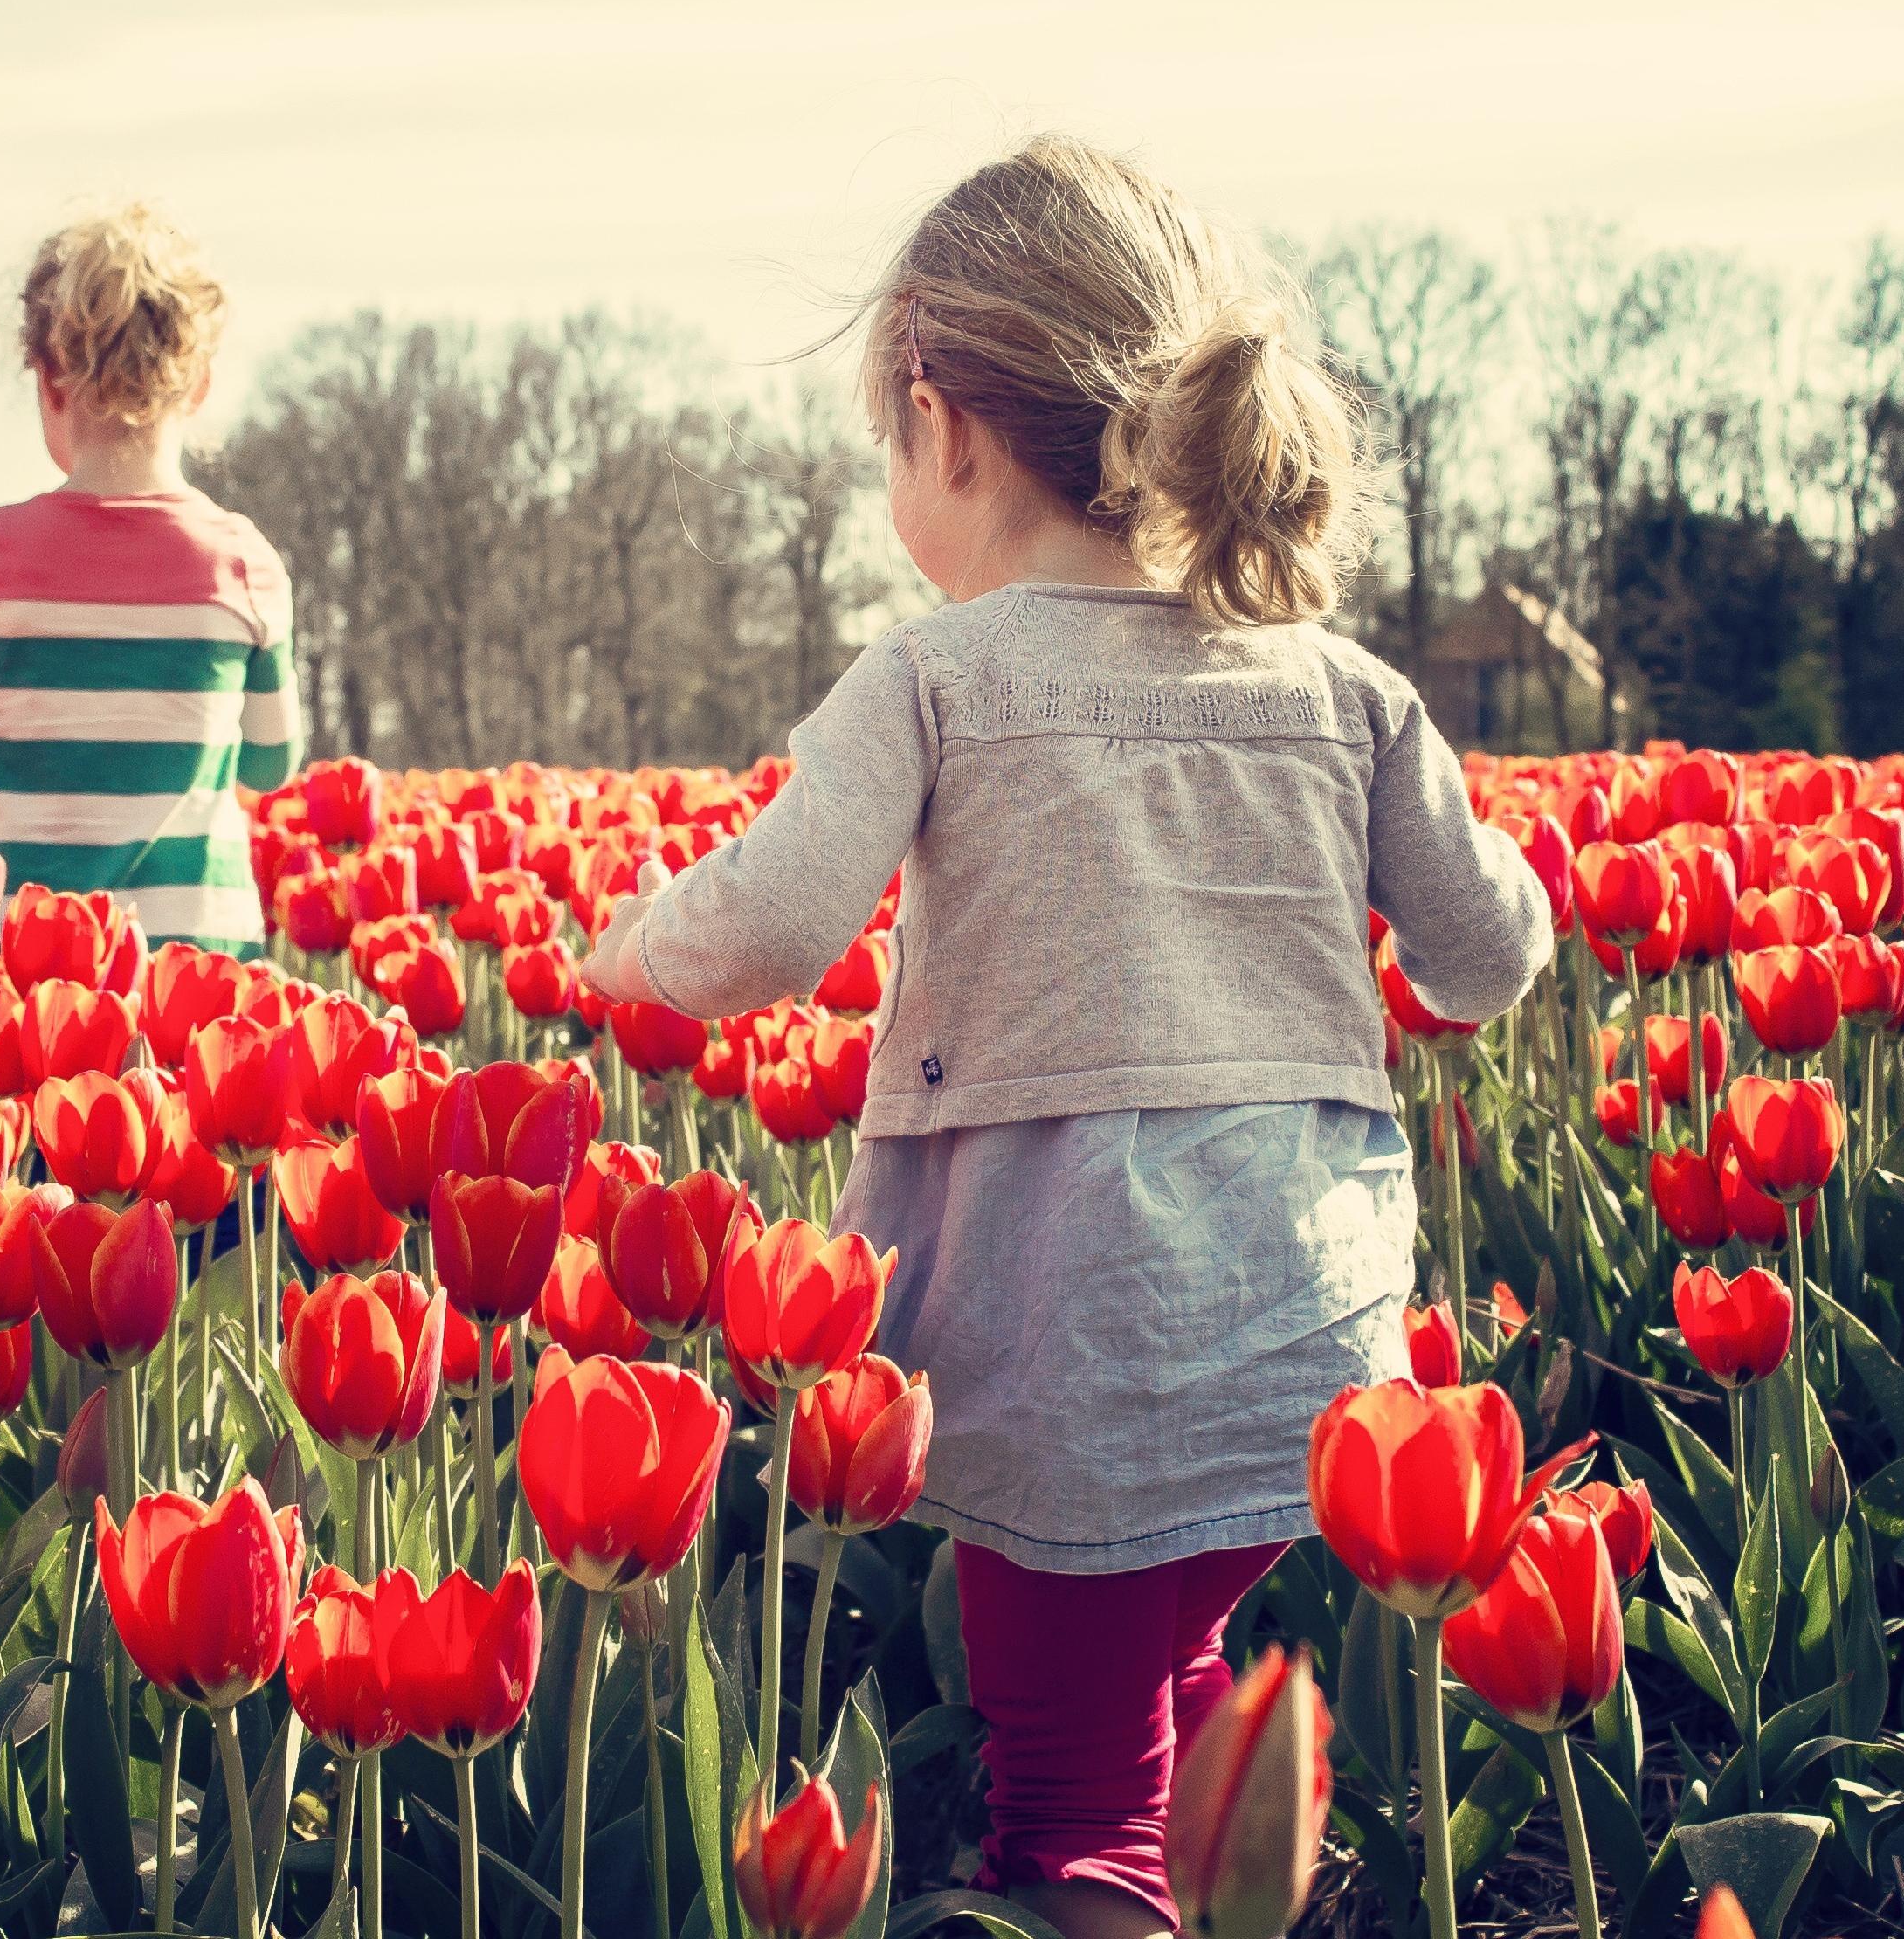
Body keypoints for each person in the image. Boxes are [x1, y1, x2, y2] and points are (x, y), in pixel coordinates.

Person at [578, 137, 1551, 1939]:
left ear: (939, 426)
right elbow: (1484, 957)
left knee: (1073, 1801)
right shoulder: (1342, 687)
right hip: (1308, 1330)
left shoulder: (939, 676)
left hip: (1062, 1319)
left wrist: (630, 940)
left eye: (887, 440)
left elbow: (778, 923)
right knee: (1176, 1667)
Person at [0, 202, 300, 950]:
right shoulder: (242, 562)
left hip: (26, 945)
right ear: (198, 385)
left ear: (47, 381)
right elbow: (272, 762)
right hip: (197, 942)